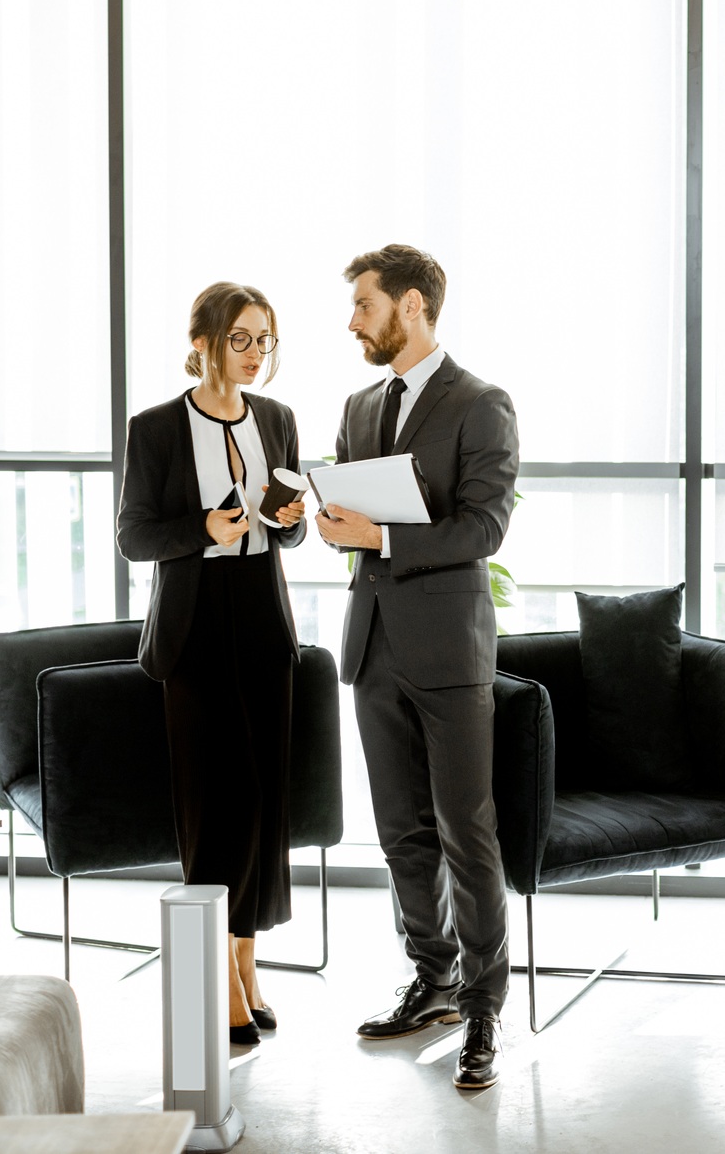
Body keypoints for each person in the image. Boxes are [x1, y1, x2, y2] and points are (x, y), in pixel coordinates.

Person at [315, 244, 518, 1091]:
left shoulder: (481, 403)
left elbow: (485, 528)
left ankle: (481, 1009)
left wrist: (383, 536)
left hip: (448, 648)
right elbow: (344, 513)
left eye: (363, 304)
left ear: (411, 306)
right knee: (401, 831)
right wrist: (322, 517)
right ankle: (431, 979)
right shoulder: (361, 405)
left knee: (467, 833)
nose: (352, 320)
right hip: (375, 645)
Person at [117, 282, 306, 1047]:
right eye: (243, 339)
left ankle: (245, 963)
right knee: (213, 803)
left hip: (262, 614)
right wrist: (202, 526)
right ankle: (216, 978)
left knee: (262, 802)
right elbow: (135, 536)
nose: (257, 353)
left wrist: (286, 521)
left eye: (267, 340)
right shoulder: (157, 427)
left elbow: (283, 534)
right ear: (203, 341)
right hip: (195, 624)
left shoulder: (279, 421)